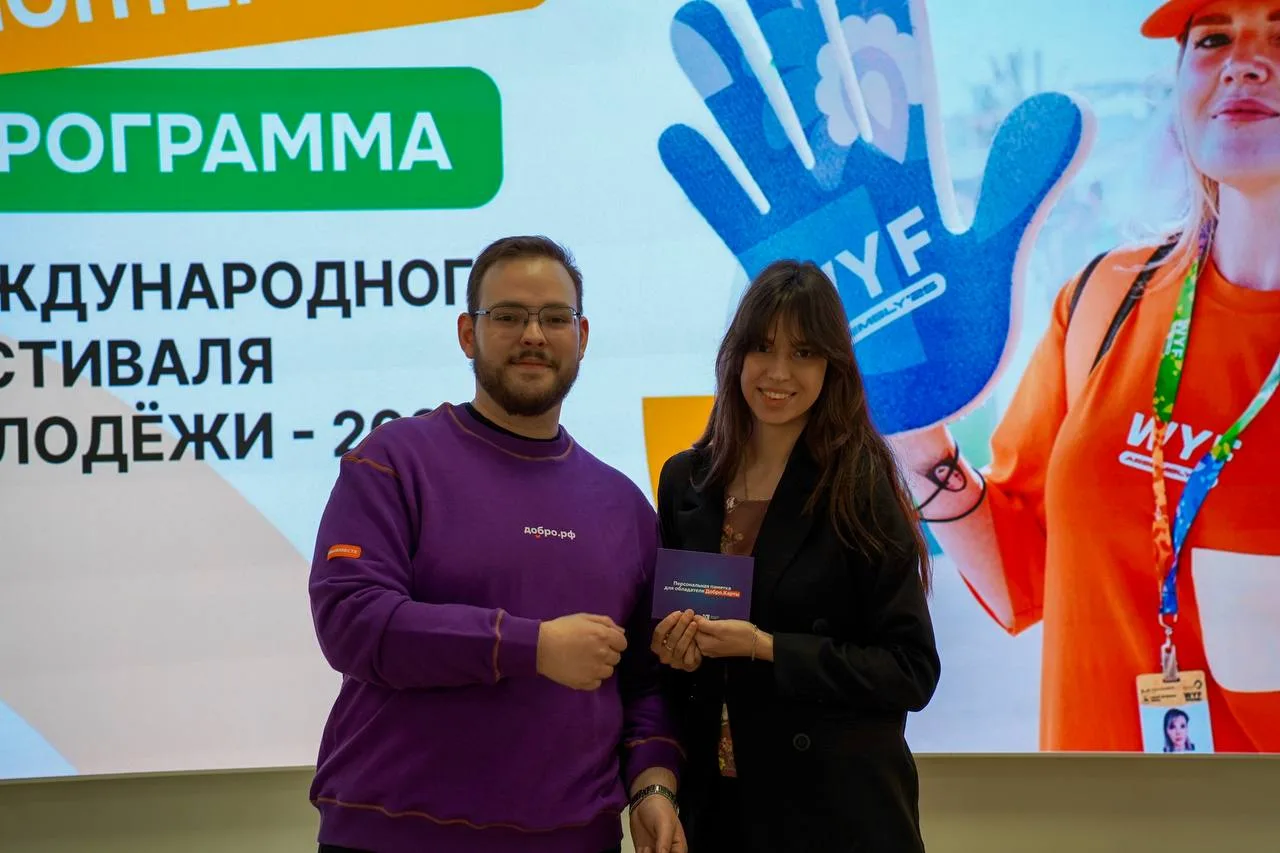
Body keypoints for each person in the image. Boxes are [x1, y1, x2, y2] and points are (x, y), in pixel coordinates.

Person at [889, 0, 1280, 753]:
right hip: (1084, 804)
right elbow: (1018, 572)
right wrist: (914, 433)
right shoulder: (1106, 298)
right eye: (1213, 37)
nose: (1243, 62)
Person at [306, 235, 686, 853]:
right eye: (508, 316)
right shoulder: (393, 461)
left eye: (555, 318)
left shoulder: (625, 507)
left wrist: (652, 785)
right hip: (390, 836)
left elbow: (647, 684)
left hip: (575, 840)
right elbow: (351, 620)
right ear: (468, 333)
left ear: (582, 336)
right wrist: (532, 646)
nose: (533, 335)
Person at [650, 260, 941, 853]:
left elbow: (909, 670)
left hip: (836, 814)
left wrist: (765, 646)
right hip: (720, 810)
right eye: (762, 348)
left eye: (803, 353)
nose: (778, 372)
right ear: (736, 356)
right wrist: (672, 650)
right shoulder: (686, 481)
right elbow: (678, 661)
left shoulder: (858, 486)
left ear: (831, 366)